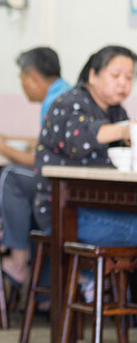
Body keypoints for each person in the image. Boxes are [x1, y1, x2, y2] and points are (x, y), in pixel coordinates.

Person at [0, 47, 70, 288]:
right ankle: (43, 290)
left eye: (22, 79)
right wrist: (7, 138)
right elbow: (48, 145)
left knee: (11, 176)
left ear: (33, 78)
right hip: (68, 183)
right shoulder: (66, 92)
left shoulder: (55, 102)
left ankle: (17, 260)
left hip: (60, 187)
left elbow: (42, 161)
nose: (23, 85)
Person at [34, 45, 137, 247]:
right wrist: (125, 130)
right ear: (93, 75)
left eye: (129, 77)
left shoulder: (117, 111)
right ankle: (93, 278)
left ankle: (101, 279)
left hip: (106, 204)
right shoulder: (68, 103)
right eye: (116, 75)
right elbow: (78, 139)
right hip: (65, 210)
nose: (123, 83)